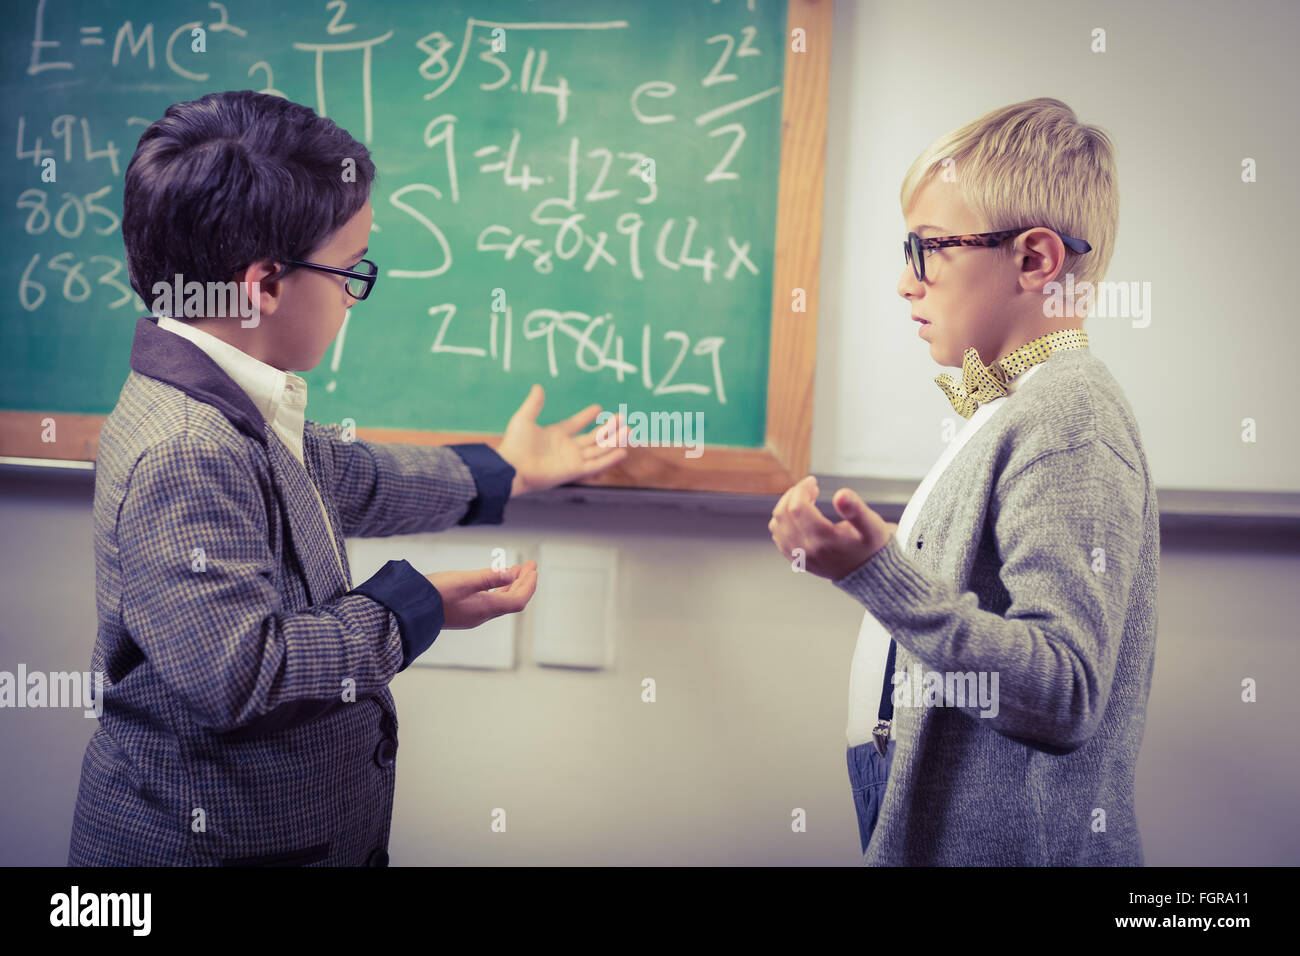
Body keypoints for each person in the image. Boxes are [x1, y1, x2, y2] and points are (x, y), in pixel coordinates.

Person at [68, 90, 627, 866]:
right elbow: (243, 675)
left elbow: (351, 476)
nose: (352, 296)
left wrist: (503, 472)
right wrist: (407, 609)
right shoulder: (187, 448)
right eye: (348, 271)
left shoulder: (229, 392)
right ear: (264, 283)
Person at [769, 98, 1159, 865]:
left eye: (929, 249)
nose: (905, 284)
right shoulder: (1011, 404)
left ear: (1035, 261)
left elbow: (1064, 690)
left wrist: (875, 576)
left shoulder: (1068, 415)